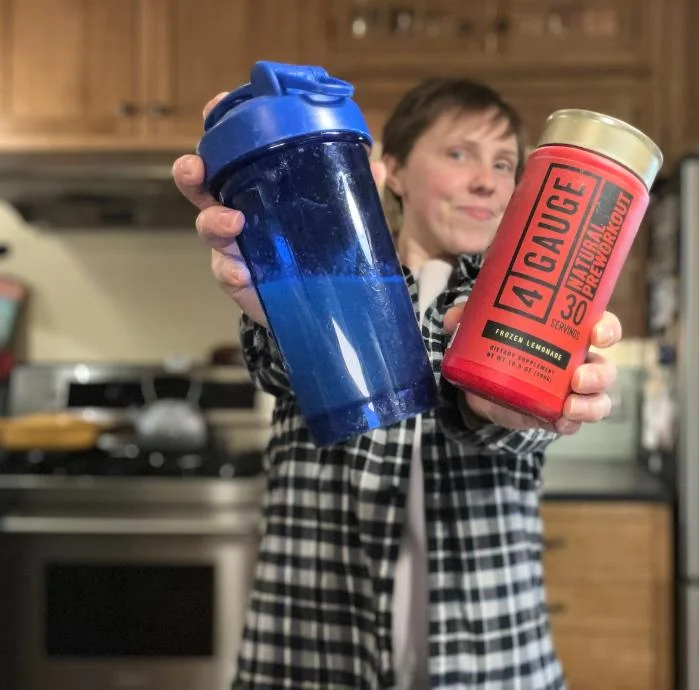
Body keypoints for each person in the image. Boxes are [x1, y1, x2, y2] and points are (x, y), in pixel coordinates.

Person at [173, 76, 622, 690]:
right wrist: (279, 307)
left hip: (494, 662)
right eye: (459, 153)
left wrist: (513, 405)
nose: (487, 181)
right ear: (395, 171)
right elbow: (277, 365)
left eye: (504, 163)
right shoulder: (325, 272)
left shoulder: (531, 306)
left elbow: (515, 431)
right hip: (310, 656)